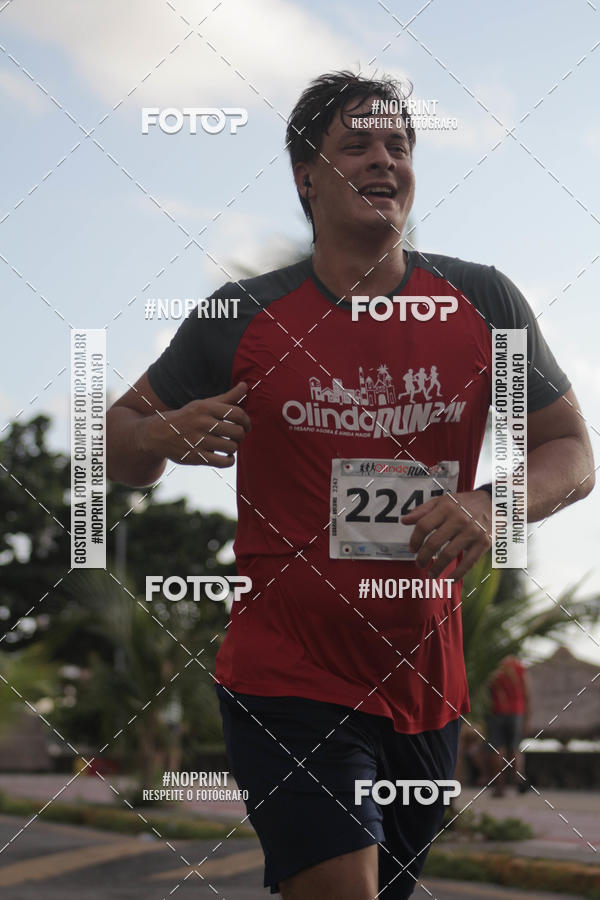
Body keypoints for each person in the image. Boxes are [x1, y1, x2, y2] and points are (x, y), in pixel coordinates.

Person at [106, 71, 594, 899]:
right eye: (357, 145)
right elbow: (116, 445)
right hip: (285, 675)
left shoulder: (482, 301)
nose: (383, 160)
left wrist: (494, 503)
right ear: (307, 177)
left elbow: (571, 451)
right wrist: (158, 435)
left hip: (426, 687)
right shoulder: (243, 315)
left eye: (399, 145)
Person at [486, 656, 531, 797]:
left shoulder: (495, 669)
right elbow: (527, 693)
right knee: (515, 748)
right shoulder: (519, 668)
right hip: (516, 712)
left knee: (498, 750)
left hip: (497, 712)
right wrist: (527, 719)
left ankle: (500, 786)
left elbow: (488, 692)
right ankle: (519, 780)